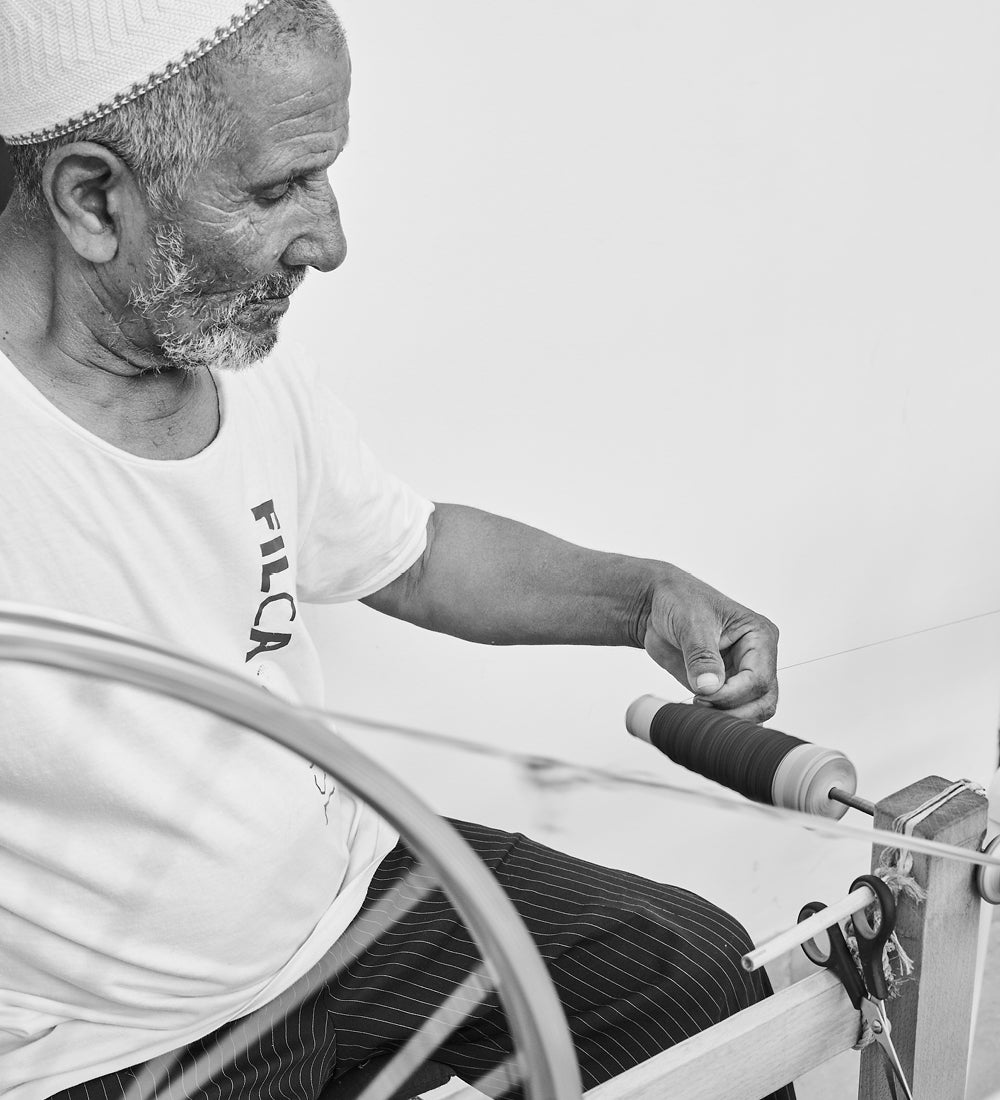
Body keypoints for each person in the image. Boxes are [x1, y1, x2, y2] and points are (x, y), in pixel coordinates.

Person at [0, 2, 792, 1098]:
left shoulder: (236, 361)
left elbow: (410, 555)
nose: (329, 242)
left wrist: (642, 599)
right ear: (94, 199)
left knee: (695, 977)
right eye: (280, 187)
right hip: (110, 1042)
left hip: (348, 906)